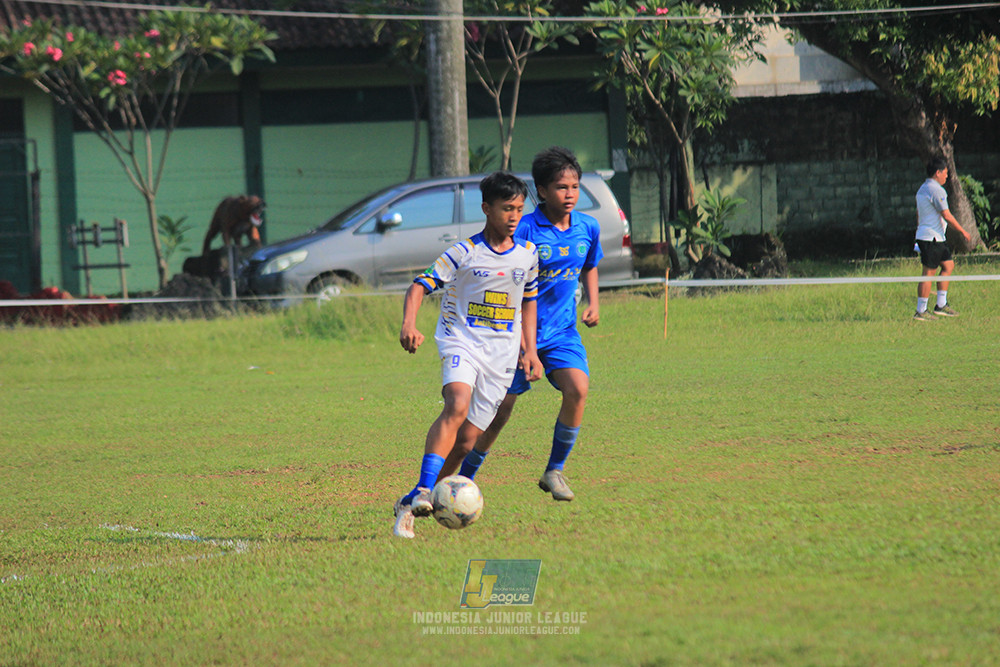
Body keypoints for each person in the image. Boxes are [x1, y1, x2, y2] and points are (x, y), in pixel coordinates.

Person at [439, 146, 603, 502]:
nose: (570, 194)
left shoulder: (588, 227)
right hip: (512, 337)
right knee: (498, 414)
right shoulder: (523, 227)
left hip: (561, 333)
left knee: (578, 388)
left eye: (575, 186)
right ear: (541, 191)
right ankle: (461, 481)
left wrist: (593, 302)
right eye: (561, 187)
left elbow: (590, 265)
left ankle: (554, 470)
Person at [392, 171, 543, 539]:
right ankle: (425, 488)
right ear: (486, 209)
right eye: (506, 208)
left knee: (464, 443)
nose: (514, 216)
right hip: (460, 341)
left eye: (519, 209)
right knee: (457, 404)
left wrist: (531, 351)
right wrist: (409, 324)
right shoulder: (463, 253)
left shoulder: (528, 255)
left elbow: (528, 302)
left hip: (501, 356)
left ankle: (411, 502)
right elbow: (419, 286)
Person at [913, 157, 972, 321]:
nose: (947, 176)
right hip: (931, 238)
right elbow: (946, 214)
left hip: (936, 237)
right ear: (937, 173)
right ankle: (921, 310)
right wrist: (963, 231)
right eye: (945, 173)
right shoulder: (936, 190)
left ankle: (941, 305)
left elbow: (918, 214)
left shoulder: (922, 189)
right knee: (928, 273)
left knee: (948, 265)